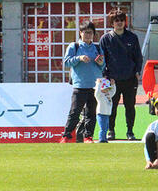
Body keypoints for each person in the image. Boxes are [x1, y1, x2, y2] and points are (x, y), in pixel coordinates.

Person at [99, 9, 143, 140]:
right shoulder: (105, 38)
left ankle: (130, 132)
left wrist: (137, 72)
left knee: (130, 106)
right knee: (111, 107)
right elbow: (102, 60)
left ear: (125, 22)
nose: (119, 23)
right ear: (112, 23)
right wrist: (106, 76)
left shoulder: (132, 37)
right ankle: (111, 131)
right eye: (116, 20)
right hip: (112, 79)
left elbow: (138, 57)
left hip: (130, 78)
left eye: (121, 20)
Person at [59, 21, 105, 143]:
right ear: (80, 33)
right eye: (85, 32)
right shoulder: (74, 46)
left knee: (91, 113)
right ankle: (66, 135)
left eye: (90, 32)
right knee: (75, 112)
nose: (88, 35)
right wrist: (78, 58)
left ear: (94, 34)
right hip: (79, 85)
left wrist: (101, 63)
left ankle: (88, 136)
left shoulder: (98, 47)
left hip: (94, 85)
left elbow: (103, 66)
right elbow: (66, 63)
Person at [94, 78, 116, 143]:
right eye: (105, 88)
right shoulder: (99, 95)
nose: (107, 90)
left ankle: (104, 139)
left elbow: (113, 91)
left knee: (106, 128)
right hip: (101, 114)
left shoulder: (108, 95)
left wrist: (113, 85)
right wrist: (99, 84)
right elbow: (97, 92)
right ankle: (101, 139)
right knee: (103, 128)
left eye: (107, 88)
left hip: (107, 114)